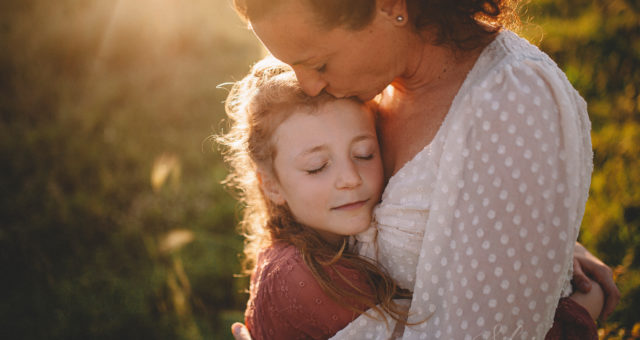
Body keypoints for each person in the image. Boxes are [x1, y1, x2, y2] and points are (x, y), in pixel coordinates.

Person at [229, 0, 620, 338]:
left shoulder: (512, 98)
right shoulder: (367, 88)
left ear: (391, 6)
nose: (310, 86)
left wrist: (564, 290)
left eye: (319, 62)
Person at [218, 57, 411, 339]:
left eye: (364, 153)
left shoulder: (319, 246)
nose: (351, 178)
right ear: (272, 185)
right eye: (317, 166)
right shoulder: (304, 276)